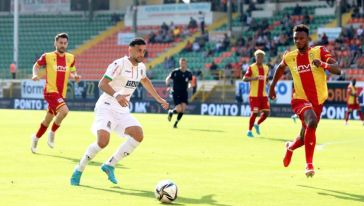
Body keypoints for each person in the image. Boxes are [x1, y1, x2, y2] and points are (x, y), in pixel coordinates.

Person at [70, 38, 169, 186]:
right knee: (103, 142)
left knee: (138, 135)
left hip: (121, 110)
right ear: (130, 50)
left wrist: (159, 98)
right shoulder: (119, 64)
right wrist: (117, 95)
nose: (142, 53)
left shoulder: (141, 67)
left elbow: (145, 81)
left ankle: (110, 165)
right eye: (139, 50)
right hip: (106, 106)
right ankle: (79, 168)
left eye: (143, 51)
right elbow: (102, 83)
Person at [268, 24, 342, 177]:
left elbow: (337, 69)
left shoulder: (319, 51)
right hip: (299, 99)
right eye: (295, 38)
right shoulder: (290, 56)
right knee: (312, 121)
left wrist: (323, 64)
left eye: (301, 38)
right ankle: (309, 164)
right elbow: (280, 68)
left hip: (318, 101)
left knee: (304, 136)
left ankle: (289, 147)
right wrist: (272, 86)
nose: (298, 41)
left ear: (308, 38)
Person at [31, 33, 81, 153]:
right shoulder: (47, 56)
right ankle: (52, 132)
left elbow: (73, 71)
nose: (63, 45)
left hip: (60, 93)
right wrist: (34, 74)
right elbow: (36, 66)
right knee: (64, 111)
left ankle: (35, 138)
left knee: (47, 120)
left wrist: (75, 76)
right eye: (60, 43)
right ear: (56, 43)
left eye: (65, 43)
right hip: (50, 91)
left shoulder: (71, 58)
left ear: (67, 44)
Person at [243, 49, 270, 138]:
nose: (260, 58)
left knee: (266, 113)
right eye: (258, 57)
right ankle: (249, 131)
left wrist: (270, 86)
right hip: (254, 95)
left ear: (263, 58)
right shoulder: (251, 67)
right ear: (255, 58)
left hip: (263, 95)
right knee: (254, 113)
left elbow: (267, 79)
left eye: (261, 57)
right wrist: (253, 79)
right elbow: (244, 78)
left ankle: (257, 124)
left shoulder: (266, 68)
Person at [166, 58, 193, 128]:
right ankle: (171, 112)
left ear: (186, 63)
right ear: (179, 63)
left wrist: (190, 86)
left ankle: (175, 123)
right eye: (181, 63)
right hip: (176, 92)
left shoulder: (189, 73)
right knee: (179, 109)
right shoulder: (175, 72)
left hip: (184, 93)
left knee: (183, 109)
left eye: (184, 63)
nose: (183, 64)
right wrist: (168, 86)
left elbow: (190, 82)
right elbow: (168, 79)